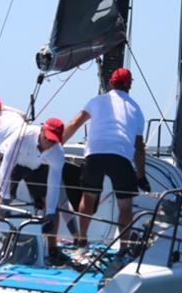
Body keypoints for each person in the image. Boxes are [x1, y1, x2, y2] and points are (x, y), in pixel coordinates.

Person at [62, 68, 150, 247]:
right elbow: (139, 148)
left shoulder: (96, 101)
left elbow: (73, 123)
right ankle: (123, 248)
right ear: (130, 85)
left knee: (88, 198)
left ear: (110, 82)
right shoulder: (136, 109)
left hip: (95, 154)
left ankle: (81, 239)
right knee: (125, 206)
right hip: (120, 157)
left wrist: (56, 144)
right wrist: (141, 176)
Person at [0, 118, 70, 264]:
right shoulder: (23, 136)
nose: (49, 143)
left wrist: (49, 213)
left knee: (52, 207)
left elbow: (53, 185)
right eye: (47, 138)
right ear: (42, 129)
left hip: (36, 165)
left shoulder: (56, 152)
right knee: (0, 198)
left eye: (54, 141)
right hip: (14, 162)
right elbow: (6, 167)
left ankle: (52, 249)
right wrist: (5, 196)